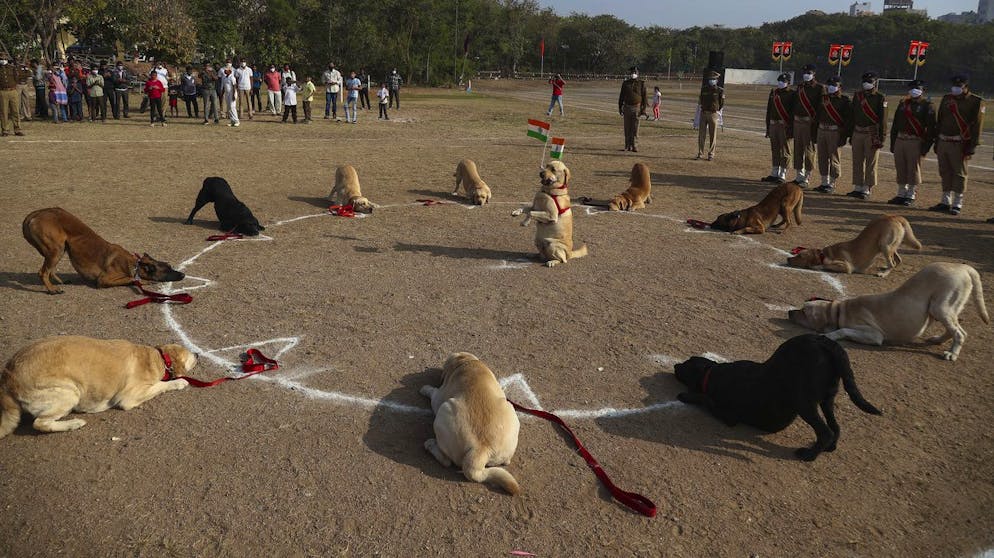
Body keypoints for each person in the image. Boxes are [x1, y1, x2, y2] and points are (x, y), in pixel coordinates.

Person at [928, 75, 985, 216]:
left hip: (960, 143)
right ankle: (945, 201)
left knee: (959, 173)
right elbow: (940, 120)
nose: (956, 88)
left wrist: (972, 145)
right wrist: (936, 140)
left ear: (966, 87)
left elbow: (977, 125)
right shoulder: (947, 98)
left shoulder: (975, 101)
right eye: (954, 85)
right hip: (943, 140)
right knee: (945, 171)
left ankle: (957, 203)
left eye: (959, 86)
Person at [887, 79, 935, 207]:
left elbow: (931, 128)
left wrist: (926, 147)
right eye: (913, 88)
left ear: (923, 91)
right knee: (900, 166)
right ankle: (901, 193)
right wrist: (893, 143)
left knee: (913, 168)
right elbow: (896, 125)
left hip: (915, 140)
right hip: (900, 139)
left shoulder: (927, 105)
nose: (914, 90)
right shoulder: (903, 104)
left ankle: (911, 194)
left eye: (918, 88)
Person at [845, 72, 888, 200]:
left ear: (875, 82)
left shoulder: (880, 97)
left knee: (871, 162)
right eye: (864, 80)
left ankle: (867, 188)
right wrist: (850, 134)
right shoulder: (858, 96)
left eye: (869, 81)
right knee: (857, 160)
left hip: (871, 133)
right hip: (857, 131)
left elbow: (883, 120)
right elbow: (852, 116)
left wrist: (881, 137)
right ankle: (858, 186)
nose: (866, 83)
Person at [812, 76, 852, 194]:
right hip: (822, 130)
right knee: (822, 157)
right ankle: (824, 182)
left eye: (834, 85)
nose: (831, 87)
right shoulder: (823, 99)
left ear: (840, 87)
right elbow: (817, 116)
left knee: (834, 158)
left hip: (835, 131)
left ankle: (832, 183)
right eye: (829, 84)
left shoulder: (845, 100)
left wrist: (844, 136)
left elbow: (848, 120)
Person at [791, 63, 824, 187]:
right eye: (805, 73)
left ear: (814, 74)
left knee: (809, 150)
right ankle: (799, 175)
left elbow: (820, 108)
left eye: (809, 73)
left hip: (809, 123)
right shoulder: (800, 87)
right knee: (798, 149)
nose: (806, 75)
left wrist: (815, 124)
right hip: (798, 122)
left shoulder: (819, 88)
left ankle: (807, 177)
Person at [763, 73, 795, 183]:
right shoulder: (774, 93)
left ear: (789, 83)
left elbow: (792, 112)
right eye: (780, 80)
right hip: (773, 124)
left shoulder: (792, 94)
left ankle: (783, 174)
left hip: (784, 125)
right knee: (775, 149)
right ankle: (774, 172)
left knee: (785, 151)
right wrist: (768, 127)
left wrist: (790, 128)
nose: (781, 82)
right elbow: (769, 110)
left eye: (784, 81)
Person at [617, 65, 647, 152]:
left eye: (635, 72)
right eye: (632, 72)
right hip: (627, 107)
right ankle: (627, 146)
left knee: (635, 128)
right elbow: (621, 96)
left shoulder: (642, 83)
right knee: (627, 128)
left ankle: (634, 146)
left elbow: (645, 97)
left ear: (638, 73)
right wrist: (620, 107)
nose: (633, 74)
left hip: (636, 108)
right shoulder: (626, 83)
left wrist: (643, 110)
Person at [696, 70, 725, 161]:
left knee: (713, 135)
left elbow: (721, 103)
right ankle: (700, 153)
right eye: (710, 79)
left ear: (716, 80)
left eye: (713, 79)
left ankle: (711, 154)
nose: (711, 80)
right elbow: (700, 100)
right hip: (704, 113)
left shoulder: (720, 90)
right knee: (701, 135)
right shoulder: (704, 89)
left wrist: (715, 110)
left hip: (713, 114)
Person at [0, 52, 30, 136]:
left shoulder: (11, 68)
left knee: (15, 111)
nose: (3, 60)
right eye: (1, 59)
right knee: (4, 112)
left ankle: (17, 129)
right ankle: (5, 130)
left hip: (13, 90)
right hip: (2, 91)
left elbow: (17, 77)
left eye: (4, 59)